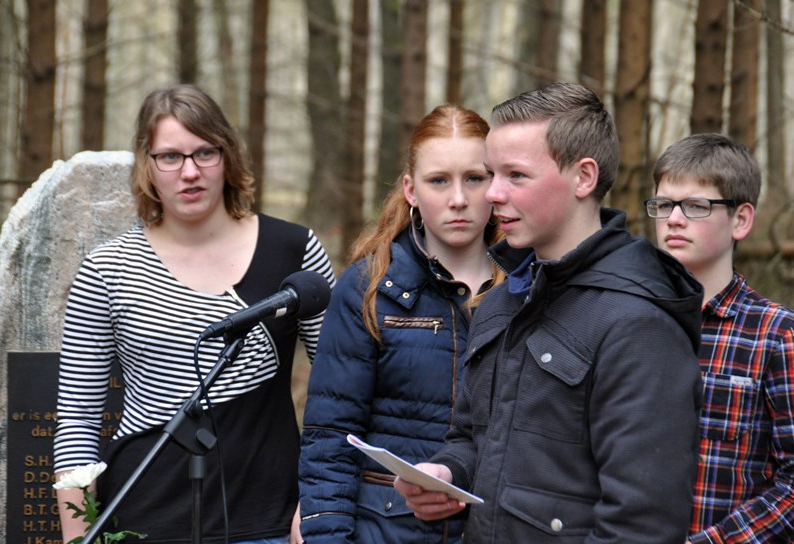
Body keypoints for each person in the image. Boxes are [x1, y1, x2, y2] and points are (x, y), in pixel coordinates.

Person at [393, 82, 705, 543]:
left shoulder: (638, 322)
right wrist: (447, 476)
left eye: (516, 176)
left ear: (583, 177)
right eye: (491, 173)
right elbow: (475, 441)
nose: (492, 194)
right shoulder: (504, 300)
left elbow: (642, 525)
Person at [53, 84, 335, 544]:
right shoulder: (106, 270)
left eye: (205, 152)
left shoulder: (294, 250)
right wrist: (78, 534)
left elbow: (339, 390)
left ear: (228, 156)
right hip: (142, 519)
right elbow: (79, 418)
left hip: (271, 521)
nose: (189, 172)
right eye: (170, 156)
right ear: (147, 164)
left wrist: (320, 500)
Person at [297, 104, 505, 543]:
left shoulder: (526, 285)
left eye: (475, 178)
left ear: (497, 183)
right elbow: (330, 437)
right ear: (411, 189)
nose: (458, 199)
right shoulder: (368, 286)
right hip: (386, 529)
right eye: (438, 181)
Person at [646, 133, 794, 543]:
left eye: (695, 206)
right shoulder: (629, 321)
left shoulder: (777, 335)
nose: (673, 219)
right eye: (663, 205)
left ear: (741, 220)